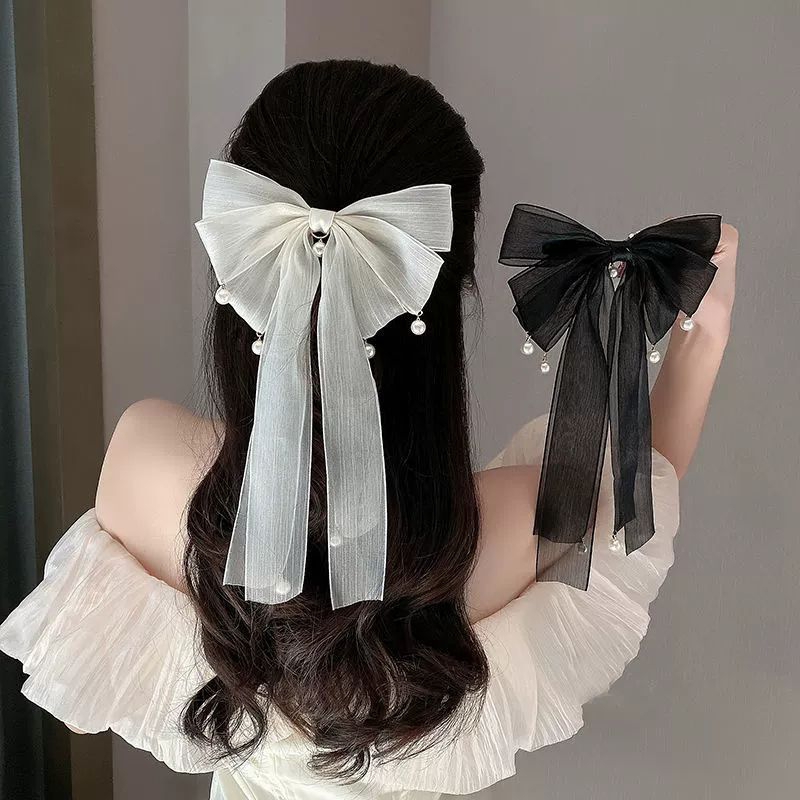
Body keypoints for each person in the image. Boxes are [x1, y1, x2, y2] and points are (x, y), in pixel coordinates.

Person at [0, 60, 737, 799]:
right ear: (452, 290)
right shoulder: (522, 524)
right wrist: (705, 333)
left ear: (240, 263)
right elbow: (640, 488)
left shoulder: (146, 460)